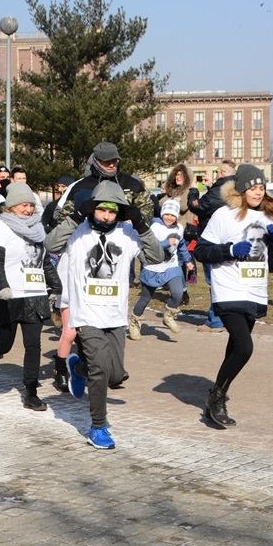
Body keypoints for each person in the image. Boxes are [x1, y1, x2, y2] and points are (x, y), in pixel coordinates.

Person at [46, 180, 162, 449]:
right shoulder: (78, 232)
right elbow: (50, 244)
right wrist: (76, 216)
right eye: (102, 210)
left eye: (112, 211)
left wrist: (142, 225)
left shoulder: (127, 234)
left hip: (115, 316)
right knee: (99, 371)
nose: (107, 216)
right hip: (86, 314)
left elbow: (156, 257)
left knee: (115, 376)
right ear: (93, 209)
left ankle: (78, 367)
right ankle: (98, 426)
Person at [194, 164, 273, 428]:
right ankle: (216, 398)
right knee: (245, 347)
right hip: (229, 290)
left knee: (235, 346)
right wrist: (230, 250)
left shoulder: (268, 217)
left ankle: (216, 395)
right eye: (253, 188)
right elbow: (201, 251)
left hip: (255, 291)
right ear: (242, 189)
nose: (258, 192)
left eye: (262, 187)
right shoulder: (223, 215)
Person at [0, 182, 60, 411]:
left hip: (34, 293)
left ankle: (31, 392)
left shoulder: (38, 229)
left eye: (31, 205)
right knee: (5, 343)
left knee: (33, 344)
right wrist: (3, 287)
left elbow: (44, 261)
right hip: (7, 294)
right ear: (11, 206)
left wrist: (56, 285)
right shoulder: (0, 227)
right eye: (23, 205)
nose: (28, 209)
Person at [129, 199, 195, 339]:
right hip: (152, 267)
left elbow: (181, 245)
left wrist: (188, 260)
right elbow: (149, 245)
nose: (169, 218)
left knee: (178, 293)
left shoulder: (179, 228)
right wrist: (166, 243)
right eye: (167, 214)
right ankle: (134, 322)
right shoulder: (155, 226)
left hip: (171, 265)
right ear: (162, 214)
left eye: (173, 215)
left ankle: (168, 315)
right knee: (145, 298)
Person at [53, 141, 153, 228]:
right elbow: (64, 217)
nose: (112, 165)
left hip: (126, 236)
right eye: (107, 161)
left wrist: (136, 222)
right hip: (89, 237)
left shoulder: (131, 184)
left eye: (114, 160)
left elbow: (147, 207)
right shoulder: (81, 187)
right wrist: (81, 225)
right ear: (96, 161)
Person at [190, 159, 237, 332]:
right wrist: (211, 187)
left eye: (219, 172)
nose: (217, 174)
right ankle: (223, 317)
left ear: (223, 173)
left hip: (212, 239)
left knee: (214, 281)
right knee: (224, 279)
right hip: (227, 239)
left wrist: (194, 190)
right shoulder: (234, 187)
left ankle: (216, 320)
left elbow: (198, 207)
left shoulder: (219, 190)